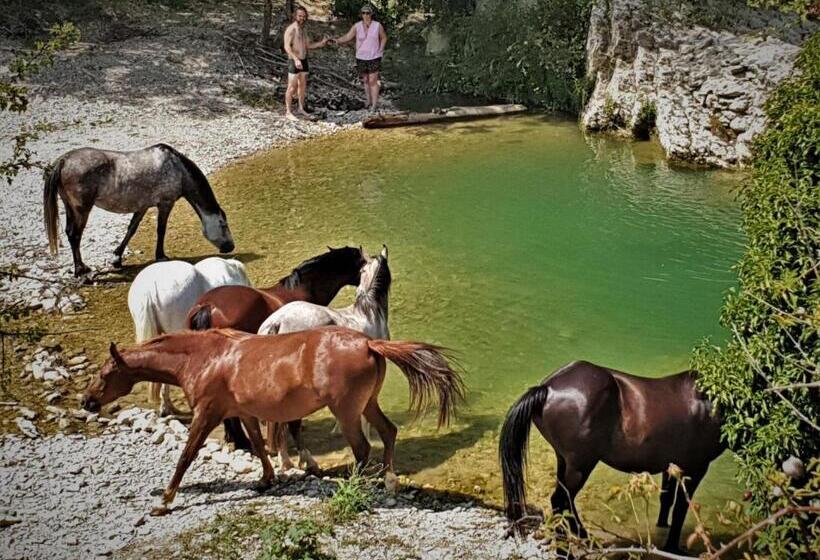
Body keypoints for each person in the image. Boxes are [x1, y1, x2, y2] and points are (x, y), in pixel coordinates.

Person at [334, 4, 388, 112]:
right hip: (361, 57)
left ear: (371, 14)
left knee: (373, 80)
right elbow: (348, 36)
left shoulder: (377, 25)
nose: (366, 15)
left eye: (368, 13)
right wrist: (337, 41)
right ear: (361, 14)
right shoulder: (357, 26)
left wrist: (381, 49)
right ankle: (368, 101)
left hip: (374, 57)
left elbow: (384, 38)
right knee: (366, 80)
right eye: (363, 13)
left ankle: (374, 105)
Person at [283, 6, 329, 120]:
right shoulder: (291, 29)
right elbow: (286, 47)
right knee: (291, 87)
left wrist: (321, 43)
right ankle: (288, 112)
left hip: (304, 60)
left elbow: (308, 46)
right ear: (295, 16)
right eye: (300, 16)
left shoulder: (303, 30)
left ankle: (300, 108)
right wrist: (295, 59)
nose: (302, 18)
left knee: (302, 86)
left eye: (304, 16)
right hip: (294, 61)